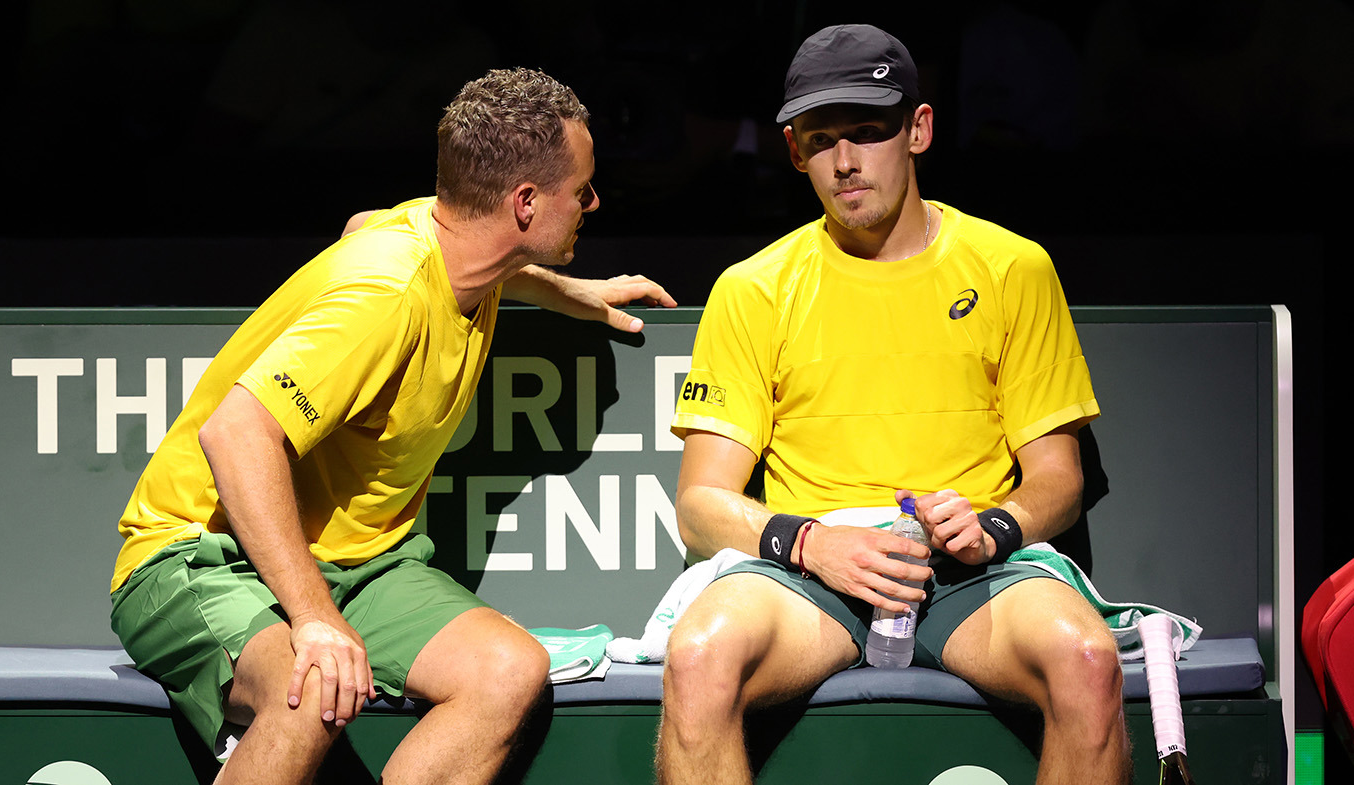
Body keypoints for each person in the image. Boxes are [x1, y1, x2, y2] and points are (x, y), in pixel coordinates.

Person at [109, 67, 675, 785]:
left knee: (509, 669)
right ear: (526, 203)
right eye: (582, 189)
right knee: (310, 686)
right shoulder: (384, 297)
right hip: (199, 557)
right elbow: (237, 433)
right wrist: (313, 618)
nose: (594, 202)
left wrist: (573, 293)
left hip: (360, 564)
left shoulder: (450, 237)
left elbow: (364, 227)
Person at [658, 25, 1129, 785]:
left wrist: (993, 525)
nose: (845, 162)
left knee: (1085, 660)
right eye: (821, 139)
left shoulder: (1013, 267)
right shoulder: (753, 288)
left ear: (919, 129)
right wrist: (814, 544)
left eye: (869, 132)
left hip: (970, 570)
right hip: (813, 575)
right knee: (701, 656)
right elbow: (701, 504)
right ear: (793, 151)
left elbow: (1058, 479)